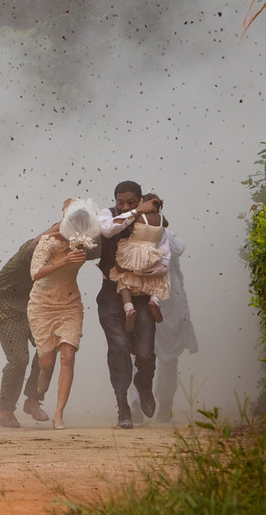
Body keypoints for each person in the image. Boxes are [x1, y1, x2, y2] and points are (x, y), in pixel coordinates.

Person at [96, 181, 169, 429]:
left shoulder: (152, 220)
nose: (123, 206)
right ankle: (122, 407)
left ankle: (144, 384)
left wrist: (146, 271)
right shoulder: (108, 215)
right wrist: (134, 212)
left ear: (140, 200)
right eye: (120, 201)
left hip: (142, 294)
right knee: (118, 348)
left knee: (146, 353)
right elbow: (106, 231)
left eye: (130, 202)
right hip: (111, 294)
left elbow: (164, 253)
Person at [27, 198, 100, 430]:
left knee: (68, 356)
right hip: (42, 305)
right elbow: (36, 273)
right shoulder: (49, 242)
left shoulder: (86, 242)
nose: (79, 226)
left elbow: (112, 231)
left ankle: (59, 414)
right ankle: (40, 384)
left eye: (83, 221)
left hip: (70, 304)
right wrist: (65, 260)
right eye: (74, 221)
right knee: (46, 361)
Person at [0, 220, 65, 427]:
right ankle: (4, 406)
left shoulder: (68, 250)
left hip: (34, 301)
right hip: (4, 302)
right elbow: (34, 245)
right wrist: (61, 226)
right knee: (19, 359)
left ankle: (33, 399)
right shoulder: (33, 247)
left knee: (48, 348)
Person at [130, 230, 199, 423]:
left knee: (168, 360)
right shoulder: (131, 234)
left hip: (169, 307)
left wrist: (158, 228)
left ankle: (166, 404)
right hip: (140, 302)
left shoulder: (166, 236)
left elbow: (179, 248)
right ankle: (135, 403)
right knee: (138, 356)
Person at [108, 193, 170, 333]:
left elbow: (128, 228)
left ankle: (129, 308)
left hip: (134, 251)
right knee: (158, 279)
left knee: (123, 278)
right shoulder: (161, 219)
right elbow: (165, 225)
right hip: (151, 252)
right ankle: (154, 300)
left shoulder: (139, 217)